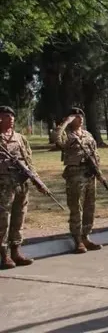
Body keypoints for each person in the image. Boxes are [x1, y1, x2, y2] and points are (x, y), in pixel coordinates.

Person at [54, 107, 102, 254]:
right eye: (75, 116)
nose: (79, 118)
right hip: (75, 174)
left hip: (89, 174)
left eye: (81, 116)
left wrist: (97, 169)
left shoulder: (87, 135)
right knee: (76, 207)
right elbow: (58, 140)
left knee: (90, 206)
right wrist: (65, 123)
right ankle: (77, 239)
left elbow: (95, 153)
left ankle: (86, 235)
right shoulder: (67, 135)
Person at [0, 106, 35, 269]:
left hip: (21, 183)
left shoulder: (20, 138)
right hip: (4, 185)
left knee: (19, 217)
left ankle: (16, 251)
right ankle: (4, 255)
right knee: (3, 219)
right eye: (7, 116)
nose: (11, 119)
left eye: (13, 116)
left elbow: (28, 160)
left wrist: (34, 177)